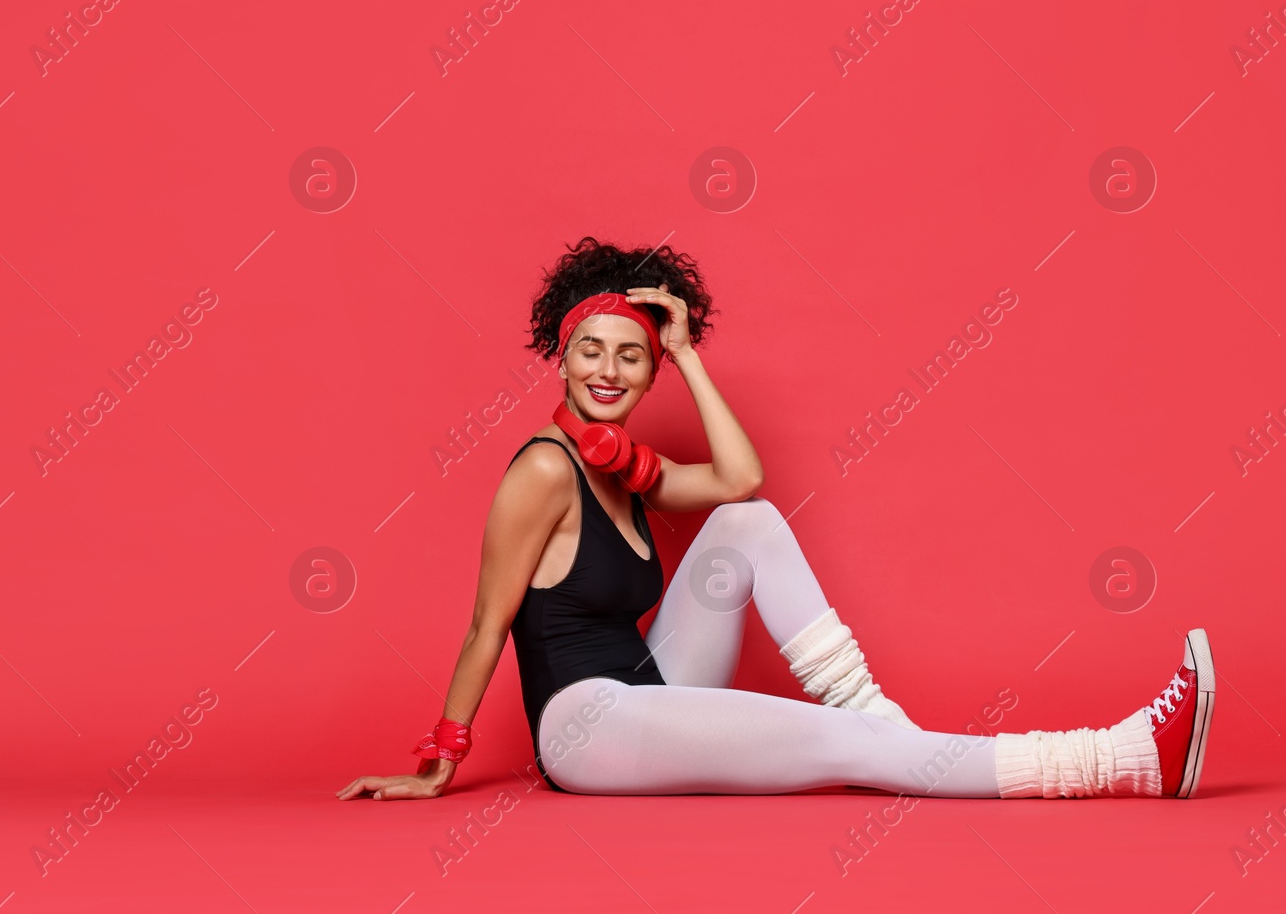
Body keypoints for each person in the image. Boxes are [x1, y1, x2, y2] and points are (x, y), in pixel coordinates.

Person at [336, 236, 1214, 802]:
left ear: (649, 375)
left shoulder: (629, 473)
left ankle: (888, 728)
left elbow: (739, 477)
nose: (608, 370)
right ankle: (1121, 757)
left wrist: (684, 349)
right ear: (560, 359)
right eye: (590, 352)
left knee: (744, 523)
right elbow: (489, 623)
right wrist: (441, 756)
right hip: (588, 727)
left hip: (653, 689)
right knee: (841, 745)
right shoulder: (542, 468)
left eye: (632, 357)